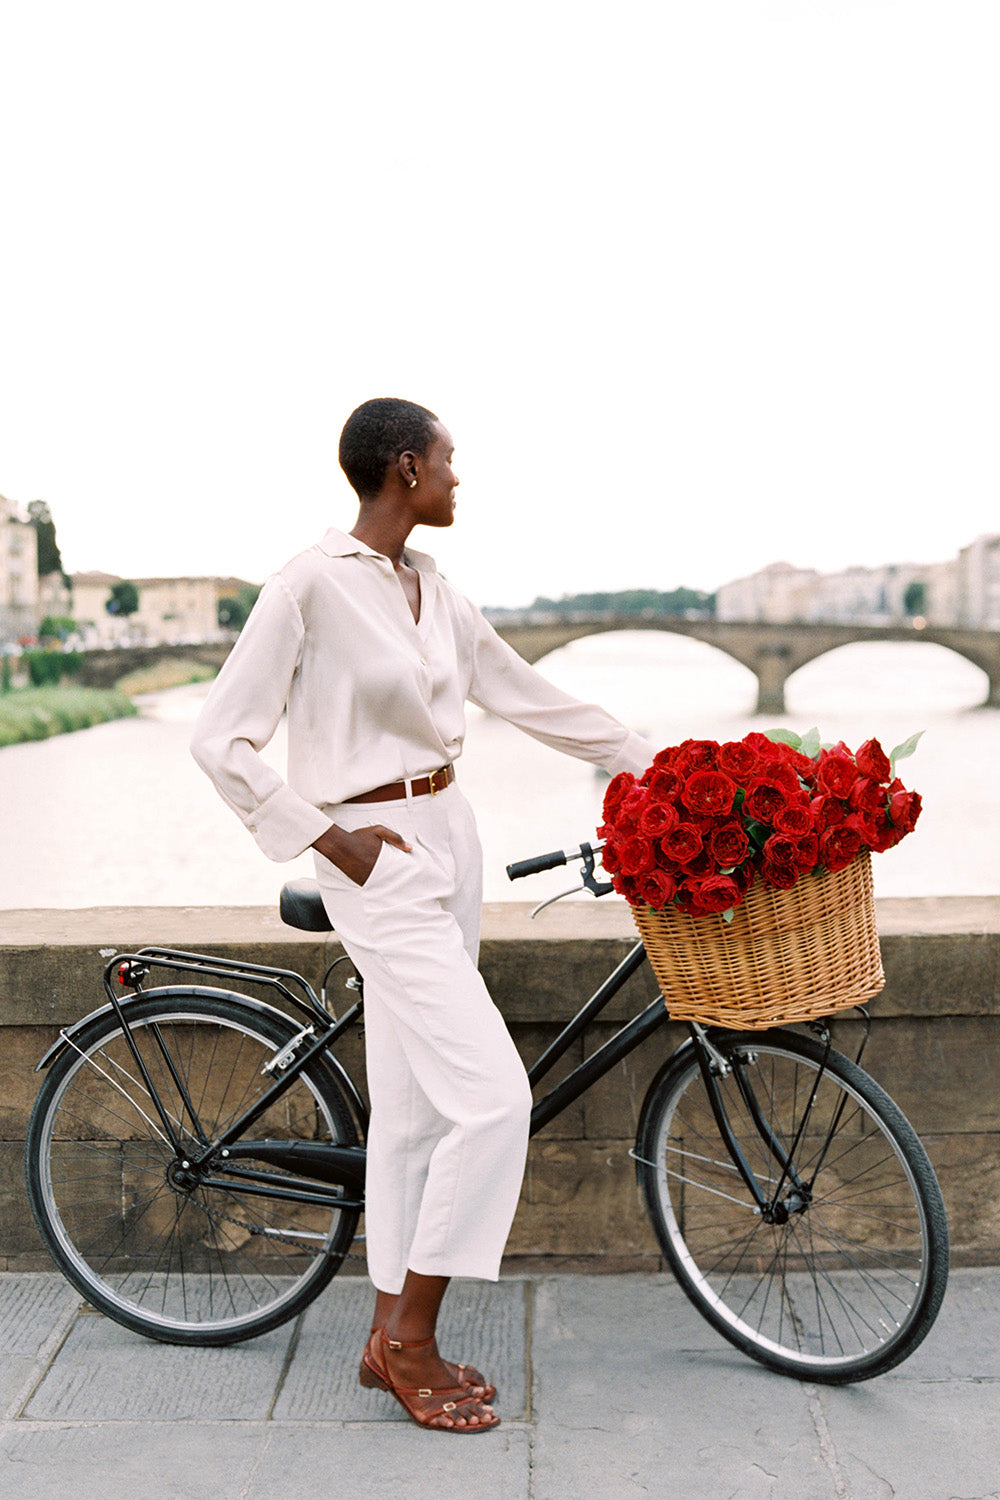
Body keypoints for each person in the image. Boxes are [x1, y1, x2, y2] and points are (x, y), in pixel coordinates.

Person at [191, 397, 654, 1432]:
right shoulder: (308, 585)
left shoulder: (432, 589)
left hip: (450, 839)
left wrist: (664, 764)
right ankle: (411, 1338)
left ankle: (379, 1338)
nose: (457, 477)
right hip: (375, 856)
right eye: (448, 461)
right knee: (494, 1100)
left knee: (412, 1112)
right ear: (404, 469)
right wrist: (330, 838)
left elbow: (530, 697)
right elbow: (221, 739)